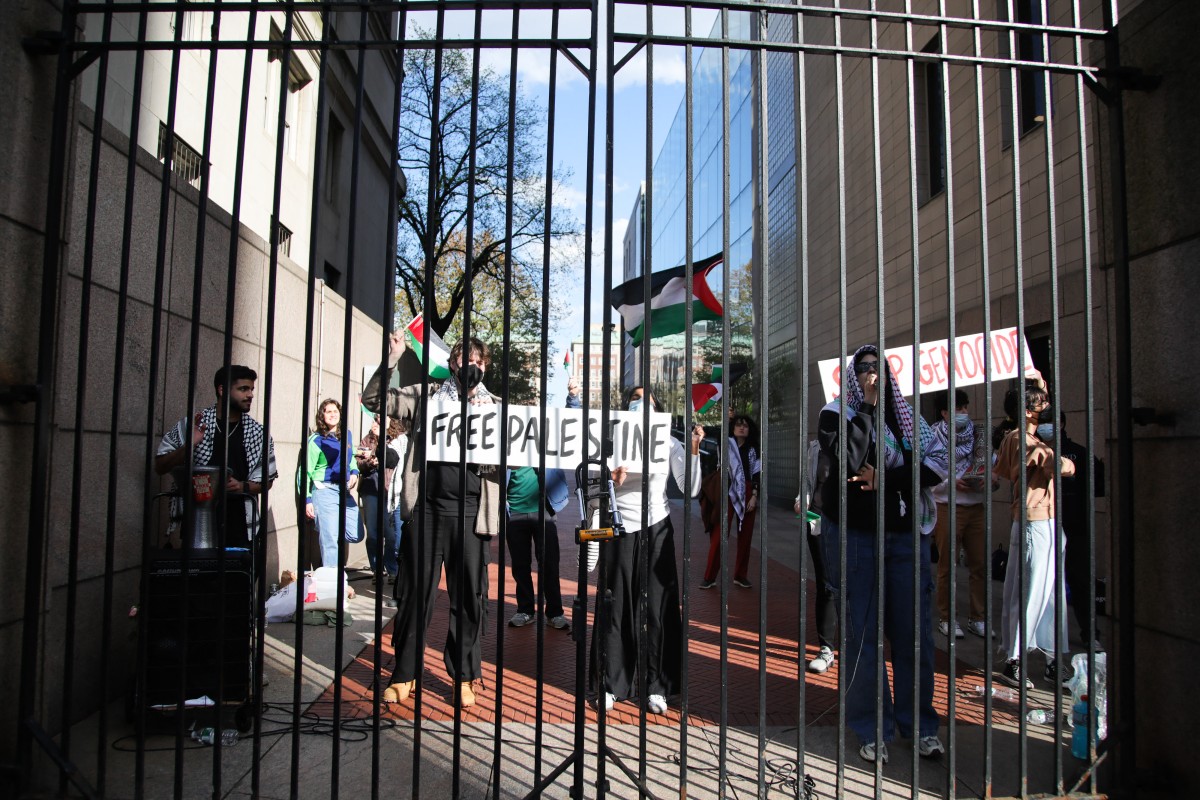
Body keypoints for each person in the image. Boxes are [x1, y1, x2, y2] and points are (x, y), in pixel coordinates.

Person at [817, 345, 943, 764]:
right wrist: (868, 408)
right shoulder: (836, 414)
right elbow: (848, 461)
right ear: (853, 377)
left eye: (879, 367)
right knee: (864, 635)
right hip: (858, 536)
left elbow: (935, 468)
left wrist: (888, 477)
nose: (872, 373)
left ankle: (920, 726)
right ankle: (872, 728)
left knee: (913, 635)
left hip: (905, 536)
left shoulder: (909, 419)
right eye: (864, 368)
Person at [363, 331, 500, 709]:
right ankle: (404, 673)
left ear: (485, 367)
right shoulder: (425, 398)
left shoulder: (496, 409)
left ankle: (464, 676)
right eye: (464, 360)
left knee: (469, 599)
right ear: (452, 364)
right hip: (426, 510)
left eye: (478, 362)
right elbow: (373, 400)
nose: (471, 367)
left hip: (470, 515)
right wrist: (392, 359)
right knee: (413, 595)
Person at [591, 386, 704, 715]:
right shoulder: (608, 441)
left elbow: (690, 488)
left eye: (648, 401)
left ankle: (657, 686)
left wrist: (694, 449)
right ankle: (611, 683)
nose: (641, 405)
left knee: (657, 608)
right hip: (618, 527)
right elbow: (591, 487)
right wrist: (609, 479)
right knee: (615, 606)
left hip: (656, 527)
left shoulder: (669, 442)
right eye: (634, 399)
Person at [994, 386, 1075, 688]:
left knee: (1051, 594)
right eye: (1041, 402)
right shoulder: (1021, 439)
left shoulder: (1025, 439)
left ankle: (1052, 658)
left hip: (1045, 520)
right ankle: (1014, 659)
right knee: (1029, 592)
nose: (1047, 406)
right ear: (1027, 411)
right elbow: (1060, 466)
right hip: (1034, 521)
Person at [155, 364, 278, 546]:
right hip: (197, 523)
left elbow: (267, 481)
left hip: (241, 525)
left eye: (251, 389)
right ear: (222, 390)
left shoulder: (259, 433)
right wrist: (190, 445)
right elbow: (160, 466)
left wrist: (241, 486)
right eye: (243, 389)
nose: (250, 395)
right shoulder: (194, 424)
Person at [926, 389, 991, 640]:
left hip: (976, 506)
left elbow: (992, 464)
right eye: (957, 408)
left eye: (965, 407)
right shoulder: (933, 436)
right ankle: (947, 618)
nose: (963, 413)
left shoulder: (978, 435)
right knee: (947, 565)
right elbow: (926, 475)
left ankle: (978, 618)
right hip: (947, 506)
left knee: (980, 564)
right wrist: (950, 482)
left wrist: (989, 478)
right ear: (944, 413)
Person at [1057, 412, 1105, 649]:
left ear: (1062, 423)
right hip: (1048, 523)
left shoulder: (1079, 453)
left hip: (1074, 524)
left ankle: (1090, 632)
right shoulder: (1033, 451)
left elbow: (1098, 485)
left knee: (1079, 581)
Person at [699, 414, 761, 590]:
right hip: (727, 489)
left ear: (750, 430)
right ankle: (709, 577)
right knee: (720, 534)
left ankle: (740, 575)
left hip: (748, 491)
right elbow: (716, 431)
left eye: (745, 426)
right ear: (732, 428)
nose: (742, 428)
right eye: (738, 425)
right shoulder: (725, 443)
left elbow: (756, 474)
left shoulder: (754, 449)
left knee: (746, 536)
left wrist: (754, 495)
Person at [505, 466, 571, 630]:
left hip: (544, 509)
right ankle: (525, 610)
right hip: (514, 510)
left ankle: (555, 612)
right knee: (520, 564)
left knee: (550, 563)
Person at [794, 439, 838, 673]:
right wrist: (801, 500)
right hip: (818, 521)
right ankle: (826, 648)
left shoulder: (859, 438)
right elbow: (808, 481)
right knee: (826, 584)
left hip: (852, 524)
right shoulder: (815, 447)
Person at [303, 399, 361, 569]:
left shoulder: (347, 434)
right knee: (330, 541)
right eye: (328, 411)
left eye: (335, 411)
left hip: (343, 491)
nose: (333, 414)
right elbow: (305, 471)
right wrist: (307, 499)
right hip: (324, 490)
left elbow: (351, 458)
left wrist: (354, 472)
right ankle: (332, 579)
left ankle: (327, 528)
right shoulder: (316, 439)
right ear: (322, 415)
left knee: (356, 533)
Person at [356, 415, 400, 590]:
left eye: (379, 421)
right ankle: (376, 569)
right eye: (375, 420)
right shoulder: (367, 439)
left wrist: (379, 456)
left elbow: (397, 461)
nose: (375, 423)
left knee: (390, 535)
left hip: (389, 491)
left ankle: (392, 569)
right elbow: (359, 462)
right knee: (373, 534)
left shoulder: (395, 439)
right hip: (370, 490)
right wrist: (370, 462)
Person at [384, 417, 409, 581]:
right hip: (400, 495)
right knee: (398, 539)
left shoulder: (411, 439)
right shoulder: (397, 441)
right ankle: (399, 577)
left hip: (419, 497)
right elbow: (390, 459)